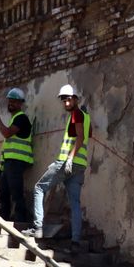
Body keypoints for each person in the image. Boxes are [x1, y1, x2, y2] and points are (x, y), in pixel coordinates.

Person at [32, 83, 91, 243]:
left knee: (39, 188)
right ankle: (76, 240)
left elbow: (80, 138)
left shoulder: (76, 114)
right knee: (75, 203)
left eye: (69, 100)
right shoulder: (85, 117)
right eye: (64, 100)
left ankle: (37, 228)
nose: (66, 103)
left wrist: (69, 158)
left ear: (76, 99)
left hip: (67, 162)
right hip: (80, 166)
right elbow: (87, 134)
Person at [0, 87, 34, 223]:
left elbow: (7, 133)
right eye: (10, 101)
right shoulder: (14, 119)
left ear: (20, 103)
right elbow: (9, 147)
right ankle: (4, 220)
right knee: (3, 193)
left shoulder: (21, 118)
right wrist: (2, 167)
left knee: (16, 192)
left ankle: (21, 221)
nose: (11, 103)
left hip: (17, 162)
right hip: (9, 163)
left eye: (14, 101)